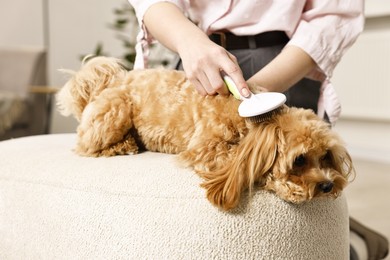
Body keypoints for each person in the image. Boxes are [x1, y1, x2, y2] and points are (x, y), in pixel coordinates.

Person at [128, 1, 389, 259]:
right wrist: (188, 41)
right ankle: (357, 236)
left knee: (290, 210)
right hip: (199, 58)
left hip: (283, 61)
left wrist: (256, 93)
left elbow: (334, 14)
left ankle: (350, 247)